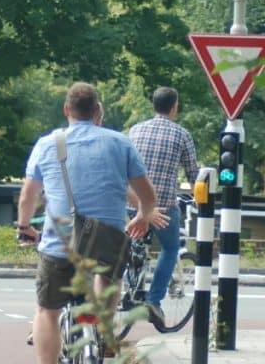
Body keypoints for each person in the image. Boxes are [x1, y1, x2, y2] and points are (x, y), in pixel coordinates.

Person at [16, 82, 162, 364]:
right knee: (108, 273)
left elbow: (28, 196)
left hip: (60, 242)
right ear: (97, 111)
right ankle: (100, 327)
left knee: (47, 310)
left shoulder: (48, 144)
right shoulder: (120, 143)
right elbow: (147, 194)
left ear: (66, 110)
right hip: (106, 240)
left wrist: (24, 228)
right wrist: (143, 216)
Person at [128, 86, 199, 323]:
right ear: (174, 107)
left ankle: (131, 286)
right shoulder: (181, 135)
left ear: (154, 105)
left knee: (130, 245)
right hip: (164, 206)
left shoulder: (135, 130)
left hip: (134, 203)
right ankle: (154, 301)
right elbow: (193, 175)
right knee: (170, 249)